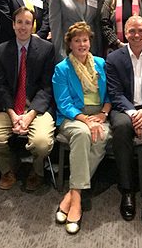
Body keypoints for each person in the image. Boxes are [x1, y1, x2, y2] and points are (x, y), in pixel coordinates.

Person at [0, 7, 56, 191]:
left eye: (27, 23)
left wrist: (29, 116)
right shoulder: (1, 50)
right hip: (9, 107)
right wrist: (13, 115)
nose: (23, 27)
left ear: (33, 25)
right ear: (13, 25)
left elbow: (47, 87)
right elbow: (0, 86)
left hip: (37, 108)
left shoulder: (47, 49)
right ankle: (8, 168)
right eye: (19, 22)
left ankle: (37, 171)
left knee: (41, 143)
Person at [106, 16, 142, 226]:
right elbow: (114, 93)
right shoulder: (113, 59)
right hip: (124, 109)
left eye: (141, 30)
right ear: (125, 33)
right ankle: (127, 190)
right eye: (132, 31)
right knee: (121, 127)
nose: (136, 35)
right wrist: (134, 114)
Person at [52, 22, 112, 235]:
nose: (81, 44)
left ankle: (72, 193)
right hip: (73, 116)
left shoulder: (101, 63)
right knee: (82, 133)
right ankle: (77, 203)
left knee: (101, 136)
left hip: (99, 115)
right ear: (70, 44)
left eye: (85, 40)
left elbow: (110, 95)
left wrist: (103, 114)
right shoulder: (62, 69)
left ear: (90, 42)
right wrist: (85, 120)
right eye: (77, 40)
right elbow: (63, 103)